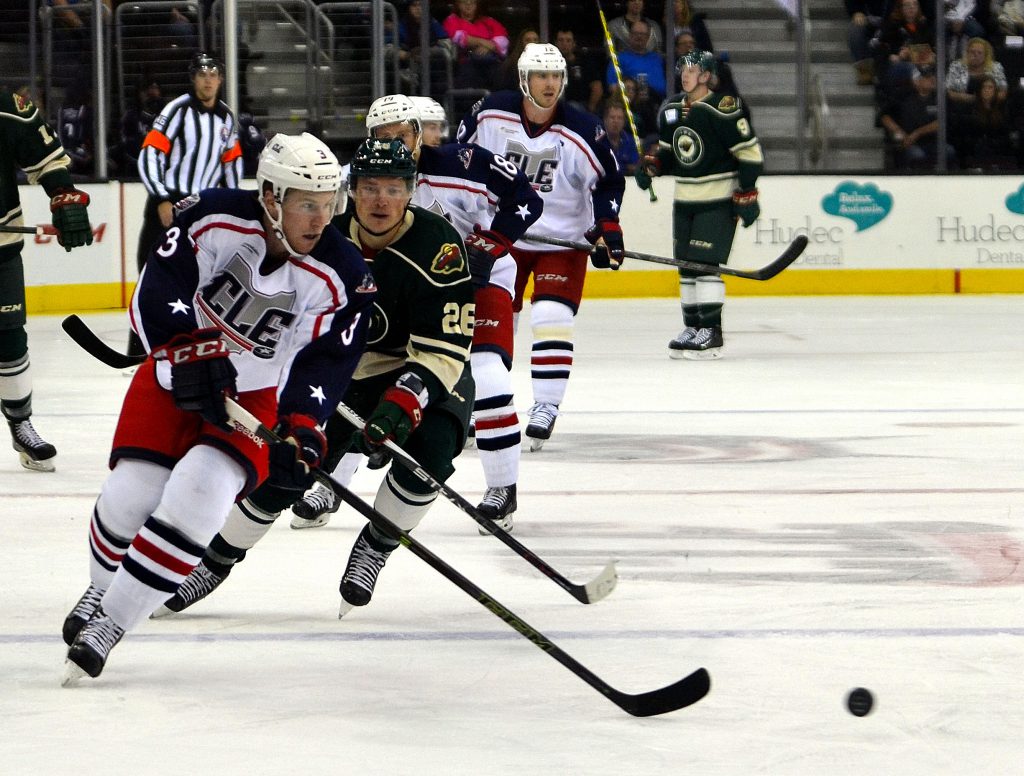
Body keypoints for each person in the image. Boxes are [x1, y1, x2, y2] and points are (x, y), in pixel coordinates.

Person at [60, 133, 375, 684]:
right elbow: (158, 288)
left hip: (254, 400)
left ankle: (110, 623)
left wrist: (303, 429)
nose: (320, 217)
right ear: (272, 196)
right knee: (129, 496)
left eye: (328, 203)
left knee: (201, 499)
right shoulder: (212, 216)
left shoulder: (342, 271)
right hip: (172, 377)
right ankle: (99, 587)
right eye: (306, 202)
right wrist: (188, 349)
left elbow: (325, 361)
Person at [153, 138, 475, 619]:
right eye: (369, 187)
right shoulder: (320, 234)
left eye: (393, 188)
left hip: (419, 367)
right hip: (336, 369)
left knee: (431, 452)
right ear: (351, 190)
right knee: (288, 463)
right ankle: (215, 560)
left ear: (411, 191)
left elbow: (445, 346)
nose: (381, 200)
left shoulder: (438, 246)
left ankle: (377, 543)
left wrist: (405, 400)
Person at [293, 94, 541, 533]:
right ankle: (331, 484)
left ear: (417, 132)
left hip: (475, 288)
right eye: (382, 137)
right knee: (357, 383)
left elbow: (525, 197)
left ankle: (503, 488)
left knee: (487, 375)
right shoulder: (358, 177)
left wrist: (490, 243)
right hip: (398, 295)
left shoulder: (465, 162)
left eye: (402, 136)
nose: (395, 144)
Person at [457, 42, 626, 451]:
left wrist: (607, 229)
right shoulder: (491, 112)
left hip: (562, 241)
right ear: (524, 79)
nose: (550, 84)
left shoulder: (584, 129)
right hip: (505, 235)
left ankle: (547, 405)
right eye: (541, 76)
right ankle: (486, 405)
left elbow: (607, 181)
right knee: (497, 319)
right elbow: (461, 159)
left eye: (555, 76)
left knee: (550, 314)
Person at [634, 50, 763, 360]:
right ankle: (692, 327)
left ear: (706, 75)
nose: (685, 75)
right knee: (687, 267)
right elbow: (669, 155)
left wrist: (746, 192)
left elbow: (750, 155)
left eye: (692, 70)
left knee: (705, 265)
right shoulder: (670, 109)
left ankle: (711, 332)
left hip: (717, 199)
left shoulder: (725, 108)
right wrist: (652, 165)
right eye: (683, 70)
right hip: (685, 200)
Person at [0, 89, 92, 472]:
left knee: (9, 338)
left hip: (0, 246)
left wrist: (64, 196)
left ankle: (21, 425)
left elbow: (46, 161)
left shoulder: (7, 107)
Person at [133, 51, 243, 356]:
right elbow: (151, 153)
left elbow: (231, 162)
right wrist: (160, 197)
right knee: (151, 273)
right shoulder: (177, 109)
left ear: (220, 79)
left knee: (200, 276)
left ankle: (190, 340)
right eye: (202, 74)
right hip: (169, 201)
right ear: (193, 79)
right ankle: (141, 348)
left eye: (213, 75)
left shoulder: (226, 117)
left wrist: (232, 200)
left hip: (202, 207)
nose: (208, 80)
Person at [879, 64, 957, 170]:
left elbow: (942, 121)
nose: (931, 79)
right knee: (917, 155)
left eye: (932, 76)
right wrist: (899, 132)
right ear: (917, 80)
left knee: (949, 151)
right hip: (908, 142)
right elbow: (885, 116)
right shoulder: (902, 95)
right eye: (926, 77)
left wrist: (918, 133)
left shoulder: (940, 96)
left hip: (933, 141)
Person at [442, 0, 510, 89]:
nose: (468, 5)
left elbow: (503, 40)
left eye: (472, 2)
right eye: (464, 2)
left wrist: (488, 48)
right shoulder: (452, 20)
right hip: (465, 63)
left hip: (491, 62)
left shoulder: (488, 21)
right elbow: (458, 37)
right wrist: (484, 42)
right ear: (458, 4)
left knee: (503, 74)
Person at [606, 20, 668, 104]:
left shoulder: (657, 58)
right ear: (630, 35)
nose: (639, 36)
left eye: (643, 34)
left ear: (648, 37)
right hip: (633, 105)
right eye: (635, 33)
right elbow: (613, 87)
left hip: (661, 103)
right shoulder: (619, 58)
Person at [556, 27, 606, 115]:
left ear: (574, 44)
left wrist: (590, 109)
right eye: (561, 40)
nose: (564, 44)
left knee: (572, 107)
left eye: (568, 40)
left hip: (580, 106)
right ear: (556, 43)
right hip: (555, 105)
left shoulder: (584, 61)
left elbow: (597, 87)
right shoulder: (550, 63)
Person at [946, 37, 1008, 107]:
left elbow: (1003, 92)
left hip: (989, 107)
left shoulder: (996, 67)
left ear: (986, 55)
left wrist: (989, 98)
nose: (976, 55)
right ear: (967, 53)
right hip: (960, 106)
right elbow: (949, 92)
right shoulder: (956, 66)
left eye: (979, 53)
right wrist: (972, 99)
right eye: (972, 52)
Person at [602, 100, 640, 175]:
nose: (616, 121)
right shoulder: (598, 140)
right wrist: (625, 167)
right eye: (612, 117)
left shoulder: (631, 141)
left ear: (624, 121)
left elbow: (635, 166)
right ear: (605, 120)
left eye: (619, 118)